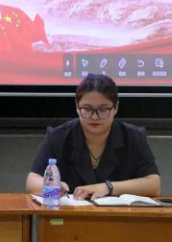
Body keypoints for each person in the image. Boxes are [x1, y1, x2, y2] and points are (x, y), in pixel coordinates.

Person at [26, 74, 161, 200]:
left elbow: (154, 185)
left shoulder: (133, 137)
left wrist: (108, 187)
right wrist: (52, 187)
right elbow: (32, 181)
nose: (94, 117)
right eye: (87, 109)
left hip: (117, 215)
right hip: (70, 215)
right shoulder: (58, 137)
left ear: (115, 107)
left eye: (103, 110)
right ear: (77, 107)